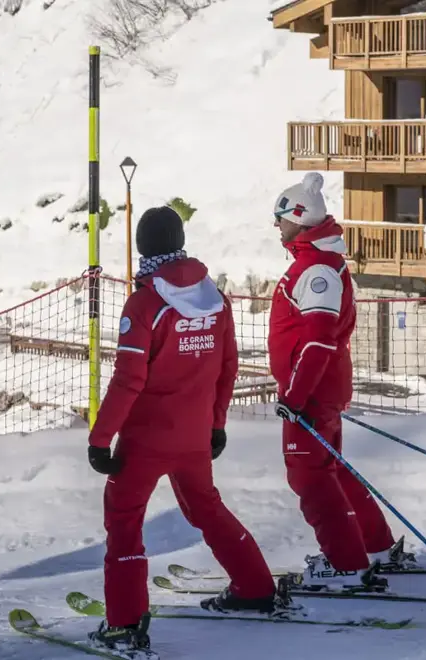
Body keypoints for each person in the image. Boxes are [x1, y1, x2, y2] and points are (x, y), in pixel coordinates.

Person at [86, 206, 285, 654]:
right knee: (205, 508)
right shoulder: (214, 298)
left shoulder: (144, 305)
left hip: (146, 440)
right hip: (194, 435)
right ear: (179, 242)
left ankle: (125, 623)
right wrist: (216, 424)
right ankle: (254, 585)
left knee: (124, 521)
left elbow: (128, 380)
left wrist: (101, 439)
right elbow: (227, 369)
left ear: (142, 247)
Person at [268, 172, 416, 592]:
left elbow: (317, 342)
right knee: (329, 469)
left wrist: (295, 397)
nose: (276, 224)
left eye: (281, 216)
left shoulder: (317, 272)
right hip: (317, 391)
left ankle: (346, 563)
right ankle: (374, 548)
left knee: (309, 477)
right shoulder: (315, 263)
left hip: (311, 394)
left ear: (300, 217)